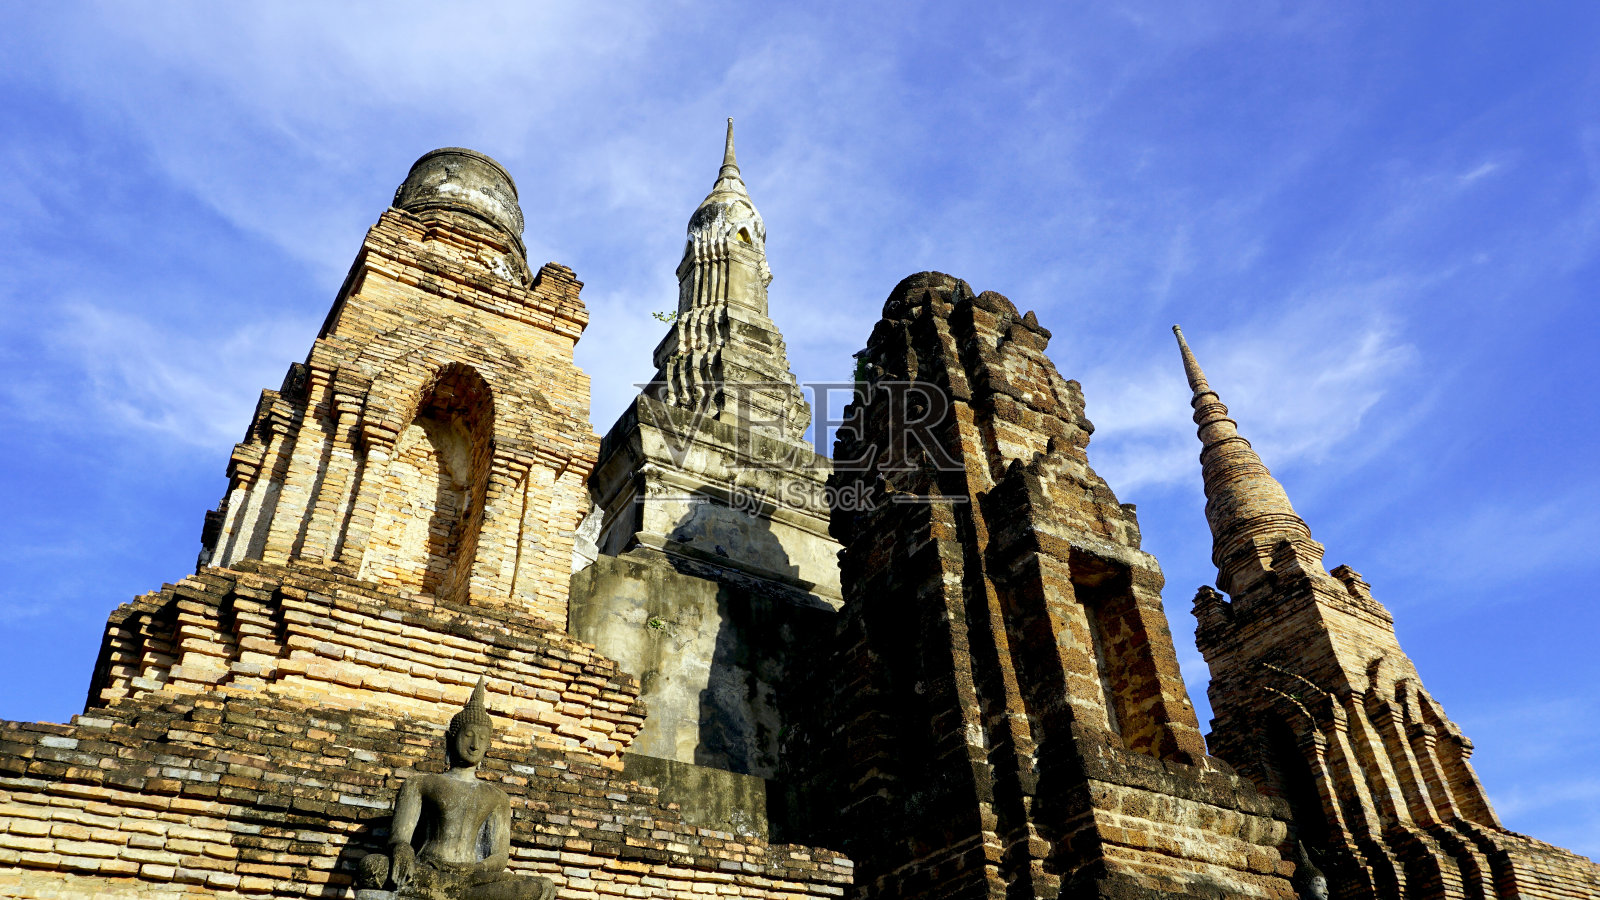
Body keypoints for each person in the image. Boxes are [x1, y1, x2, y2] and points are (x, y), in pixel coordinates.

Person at [359, 678, 555, 900]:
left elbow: (499, 856)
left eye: (482, 738)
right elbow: (399, 837)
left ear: (488, 746)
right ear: (451, 739)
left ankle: (454, 894)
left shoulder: (497, 797)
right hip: (428, 869)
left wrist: (472, 871)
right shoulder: (421, 783)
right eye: (469, 735)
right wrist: (402, 849)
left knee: (541, 887)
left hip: (471, 877)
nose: (474, 744)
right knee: (372, 866)